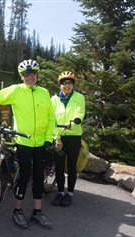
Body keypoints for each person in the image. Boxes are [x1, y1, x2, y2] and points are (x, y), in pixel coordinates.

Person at [0, 59, 55, 230]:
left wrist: (49, 140)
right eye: (26, 74)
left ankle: (37, 212)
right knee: (24, 177)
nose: (29, 77)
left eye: (32, 73)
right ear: (21, 76)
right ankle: (17, 211)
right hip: (23, 142)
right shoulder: (16, 91)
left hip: (41, 143)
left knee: (39, 178)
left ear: (37, 74)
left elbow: (50, 118)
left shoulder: (44, 93)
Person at [51, 71, 85, 207]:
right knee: (58, 167)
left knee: (71, 166)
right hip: (59, 137)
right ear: (60, 85)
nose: (67, 85)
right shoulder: (53, 100)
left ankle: (69, 193)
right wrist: (57, 137)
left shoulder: (79, 97)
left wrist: (72, 123)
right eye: (64, 83)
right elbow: (51, 119)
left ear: (73, 85)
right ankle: (60, 192)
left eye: (70, 83)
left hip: (74, 136)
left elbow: (80, 113)